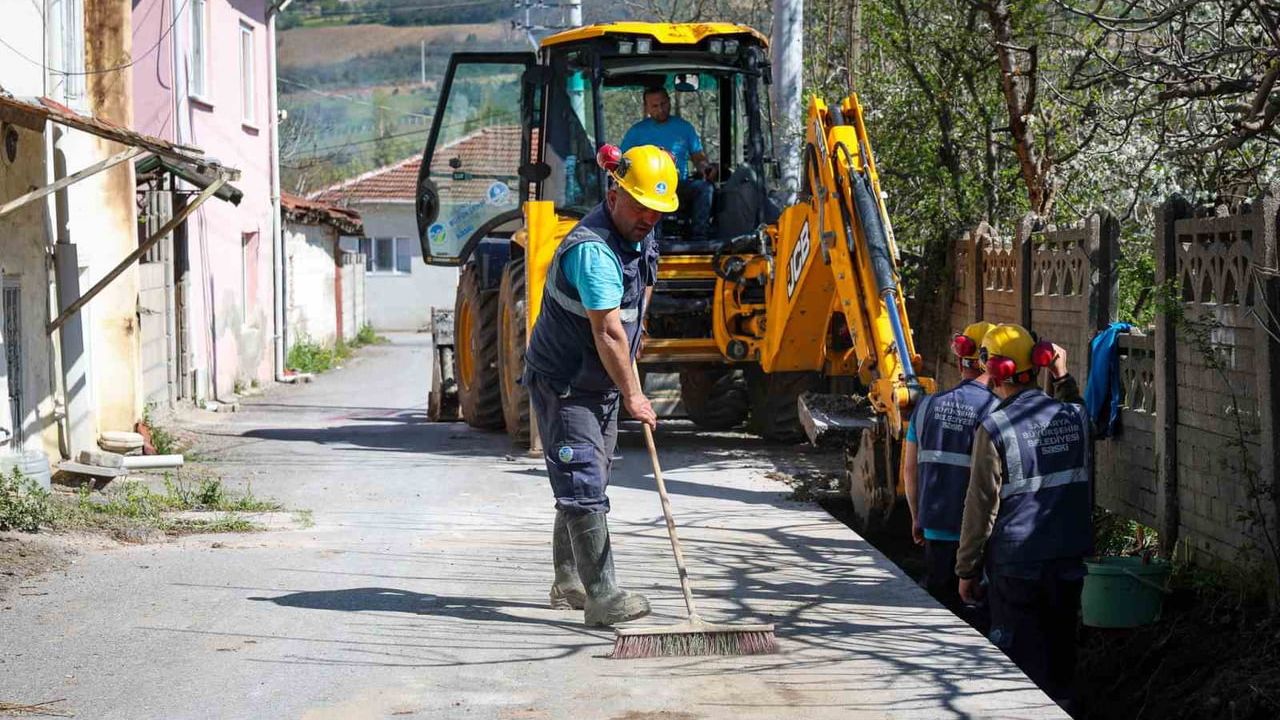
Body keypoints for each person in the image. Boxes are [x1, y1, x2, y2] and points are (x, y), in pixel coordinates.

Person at [522, 144, 678, 626]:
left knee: (585, 479)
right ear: (615, 195)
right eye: (640, 207)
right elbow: (607, 329)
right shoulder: (592, 251)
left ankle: (568, 580)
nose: (648, 217)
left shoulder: (640, 232)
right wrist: (634, 393)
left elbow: (643, 284)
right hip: (567, 381)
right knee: (584, 480)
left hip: (599, 380)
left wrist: (639, 334)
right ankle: (602, 596)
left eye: (657, 210)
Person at [955, 324, 1091, 708]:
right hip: (1067, 558)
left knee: (1019, 666)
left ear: (994, 369)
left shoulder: (995, 427)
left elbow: (981, 504)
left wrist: (966, 569)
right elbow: (1078, 406)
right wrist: (1061, 375)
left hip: (1016, 567)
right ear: (1039, 361)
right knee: (1061, 656)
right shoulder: (1073, 417)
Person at [903, 321, 998, 617]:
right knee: (978, 617)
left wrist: (917, 516)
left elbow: (909, 469)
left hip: (934, 527)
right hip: (981, 537)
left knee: (941, 611)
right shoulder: (997, 411)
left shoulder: (926, 406)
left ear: (959, 361)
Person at [620, 86, 715, 243]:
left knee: (705, 189)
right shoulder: (636, 132)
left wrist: (705, 168)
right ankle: (652, 243)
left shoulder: (684, 127)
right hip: (648, 188)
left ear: (669, 102)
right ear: (646, 108)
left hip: (679, 185)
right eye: (655, 106)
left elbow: (698, 157)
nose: (661, 109)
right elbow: (623, 162)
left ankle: (700, 239)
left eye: (663, 104)